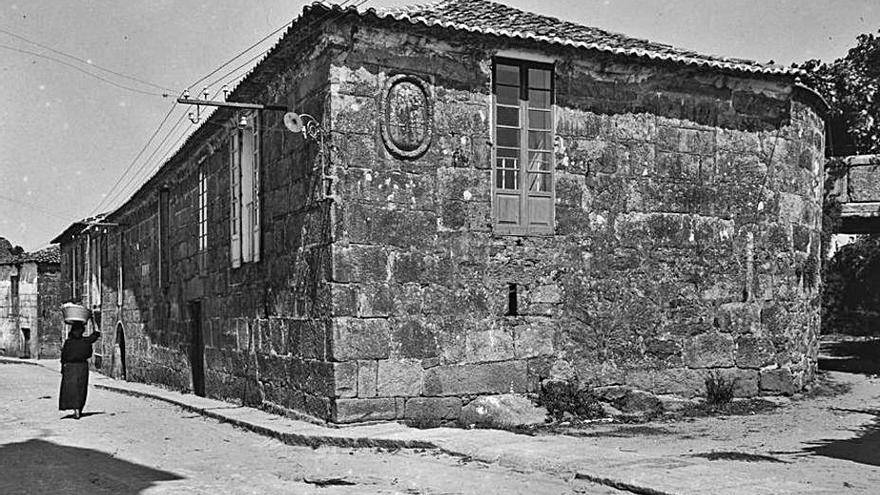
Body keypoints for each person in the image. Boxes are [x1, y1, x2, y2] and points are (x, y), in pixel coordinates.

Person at [59, 320, 101, 419]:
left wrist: (62, 369)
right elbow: (96, 334)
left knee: (71, 389)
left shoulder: (68, 342)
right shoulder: (85, 341)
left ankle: (75, 409)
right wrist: (93, 319)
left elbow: (63, 357)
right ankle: (79, 408)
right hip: (82, 367)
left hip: (70, 368)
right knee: (80, 388)